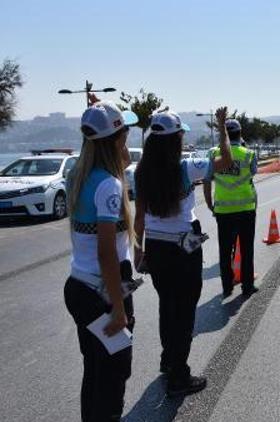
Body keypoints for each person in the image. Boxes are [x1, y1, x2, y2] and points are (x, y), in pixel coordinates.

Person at [133, 108, 234, 397]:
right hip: (183, 247)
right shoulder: (188, 167)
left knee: (168, 305)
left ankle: (169, 360)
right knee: (186, 309)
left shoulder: (141, 172)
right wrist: (222, 129)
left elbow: (138, 216)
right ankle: (179, 373)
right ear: (176, 138)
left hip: (156, 246)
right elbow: (225, 160)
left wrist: (138, 251)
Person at [64, 101, 138, 421]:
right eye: (126, 133)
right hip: (102, 292)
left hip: (78, 287)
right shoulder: (109, 184)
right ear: (118, 138)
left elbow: (117, 157)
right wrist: (119, 310)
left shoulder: (77, 174)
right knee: (114, 373)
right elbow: (106, 252)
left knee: (94, 370)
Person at [202, 118, 258, 297]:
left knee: (225, 251)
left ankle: (227, 287)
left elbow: (206, 180)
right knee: (247, 249)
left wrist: (210, 204)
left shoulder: (213, 154)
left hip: (224, 211)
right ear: (240, 133)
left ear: (223, 134)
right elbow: (253, 173)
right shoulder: (249, 154)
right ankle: (247, 286)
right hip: (246, 209)